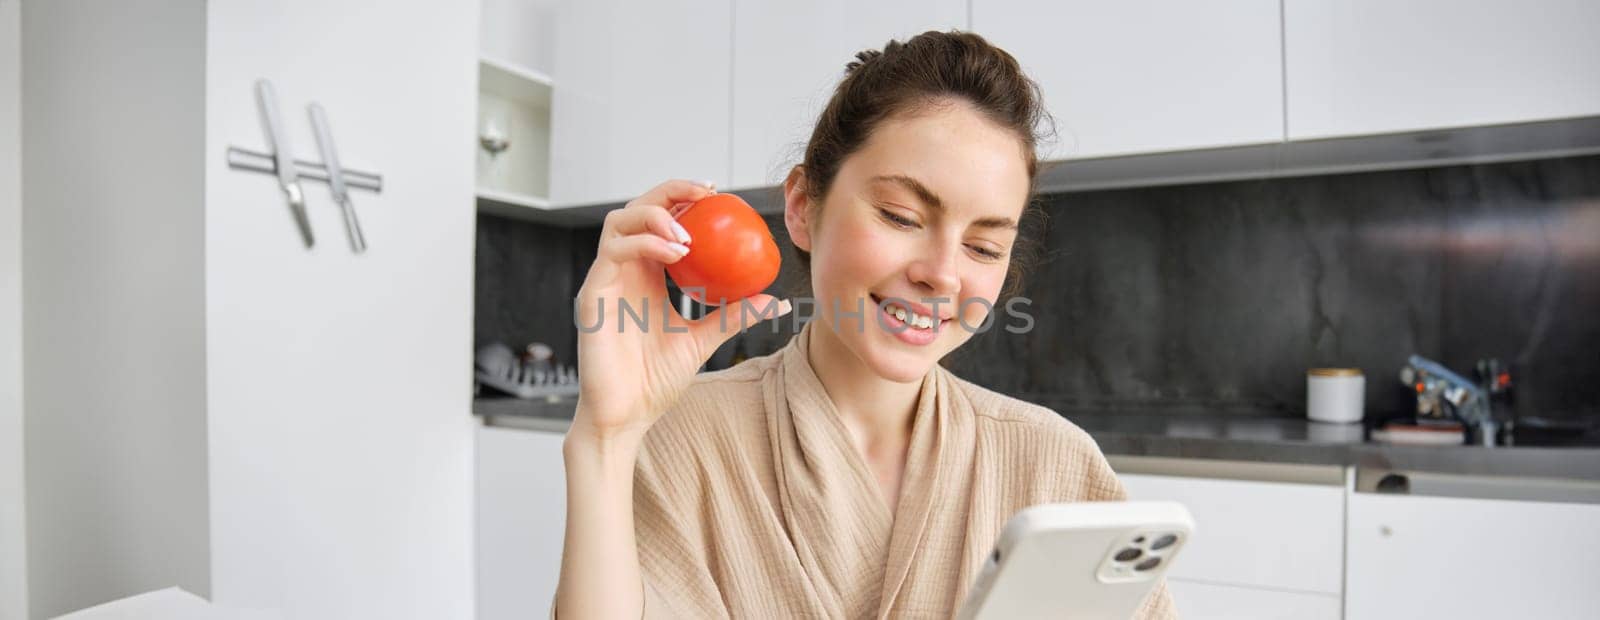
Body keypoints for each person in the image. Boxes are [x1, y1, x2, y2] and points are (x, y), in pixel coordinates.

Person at [555, 30, 1177, 619]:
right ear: (802, 206)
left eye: (985, 248)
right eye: (901, 216)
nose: (943, 274)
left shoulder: (1055, 464)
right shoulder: (677, 438)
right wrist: (605, 438)